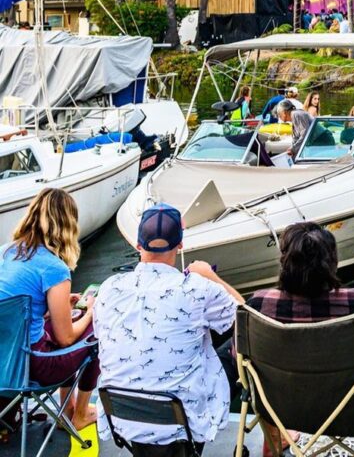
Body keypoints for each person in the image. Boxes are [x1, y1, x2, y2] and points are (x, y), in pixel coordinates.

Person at [94, 202, 243, 451]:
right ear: (181, 245)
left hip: (122, 417)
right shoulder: (198, 288)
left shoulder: (110, 287)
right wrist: (209, 275)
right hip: (181, 422)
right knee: (237, 345)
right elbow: (245, 316)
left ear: (138, 245)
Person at [247, 223, 354, 389]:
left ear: (284, 262)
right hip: (352, 411)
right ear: (333, 262)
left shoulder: (257, 305)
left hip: (277, 410)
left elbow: (238, 357)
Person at [0, 189, 99, 430]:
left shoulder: (7, 252)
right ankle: (78, 414)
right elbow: (65, 339)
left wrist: (60, 309)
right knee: (96, 332)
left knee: (66, 320)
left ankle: (67, 408)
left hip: (5, 364)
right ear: (67, 224)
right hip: (33, 366)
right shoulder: (54, 268)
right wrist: (91, 313)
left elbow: (20, 313)